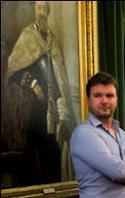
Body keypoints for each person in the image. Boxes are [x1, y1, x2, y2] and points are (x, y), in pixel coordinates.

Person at [3, 0, 75, 185]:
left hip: (52, 106)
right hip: (32, 107)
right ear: (34, 11)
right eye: (39, 8)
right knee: (34, 151)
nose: (42, 12)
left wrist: (61, 100)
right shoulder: (27, 36)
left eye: (45, 9)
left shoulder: (52, 39)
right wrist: (33, 83)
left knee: (53, 149)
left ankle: (54, 187)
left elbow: (59, 75)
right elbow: (13, 70)